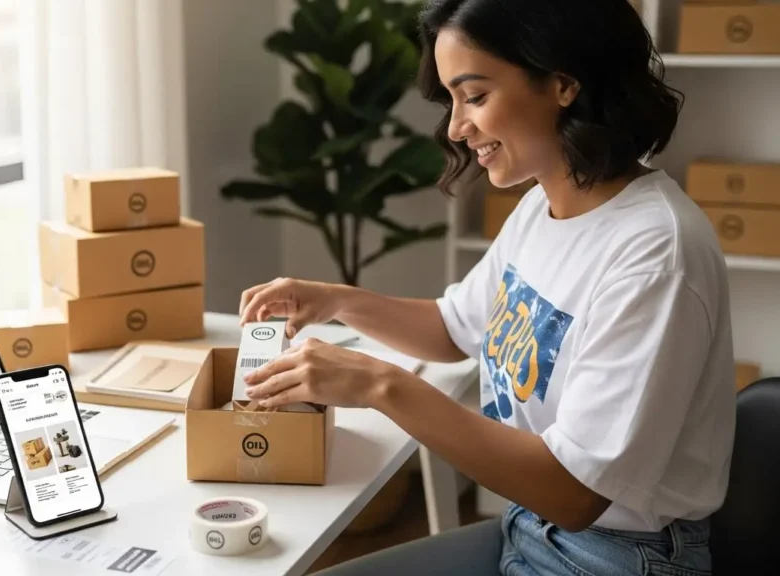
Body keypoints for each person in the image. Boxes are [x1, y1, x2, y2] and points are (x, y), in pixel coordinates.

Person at [238, 1, 737, 574]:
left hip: (613, 555)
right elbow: (455, 329)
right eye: (452, 101)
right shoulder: (542, 206)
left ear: (564, 84)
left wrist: (380, 385)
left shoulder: (655, 256)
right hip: (528, 525)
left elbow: (575, 495)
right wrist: (336, 301)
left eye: (474, 96)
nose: (455, 127)